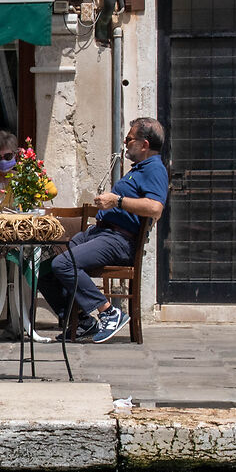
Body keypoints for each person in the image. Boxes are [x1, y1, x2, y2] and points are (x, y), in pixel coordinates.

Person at [39, 116, 167, 345]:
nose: (125, 143)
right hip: (102, 233)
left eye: (129, 139)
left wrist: (117, 201)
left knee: (63, 264)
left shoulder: (154, 169)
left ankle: (109, 312)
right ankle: (81, 322)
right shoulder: (139, 169)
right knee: (43, 265)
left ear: (144, 144)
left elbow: (155, 208)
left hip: (119, 240)